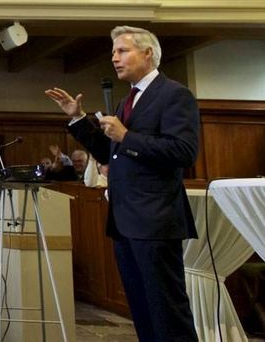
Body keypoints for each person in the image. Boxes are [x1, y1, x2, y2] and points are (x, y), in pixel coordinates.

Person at [45, 25, 199, 342]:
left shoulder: (173, 95)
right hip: (126, 219)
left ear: (148, 53)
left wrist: (127, 136)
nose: (115, 58)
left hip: (155, 219)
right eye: (113, 52)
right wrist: (78, 118)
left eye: (122, 50)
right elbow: (109, 152)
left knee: (167, 309)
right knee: (141, 308)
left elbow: (184, 151)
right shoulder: (128, 101)